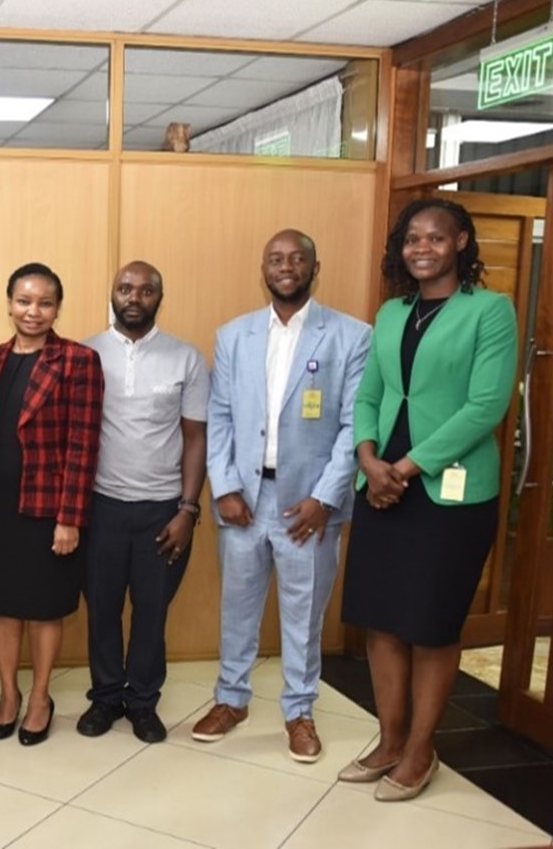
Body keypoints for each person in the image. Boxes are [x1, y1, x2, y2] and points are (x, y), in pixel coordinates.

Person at [339, 199, 517, 801]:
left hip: (447, 494)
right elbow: (368, 395)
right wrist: (369, 460)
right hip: (381, 485)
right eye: (413, 238)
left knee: (431, 625)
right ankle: (389, 741)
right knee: (381, 620)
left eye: (436, 238)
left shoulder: (489, 311)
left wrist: (407, 468)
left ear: (461, 242)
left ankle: (420, 751)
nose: (422, 248)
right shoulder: (392, 312)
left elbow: (485, 407)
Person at [194, 230, 371, 763]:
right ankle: (232, 700)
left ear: (316, 268)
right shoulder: (234, 335)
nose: (286, 266)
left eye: (297, 259)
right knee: (238, 608)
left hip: (309, 508)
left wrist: (325, 498)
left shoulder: (350, 336)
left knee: (305, 614)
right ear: (263, 269)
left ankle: (299, 711)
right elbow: (219, 417)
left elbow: (353, 425)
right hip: (244, 500)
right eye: (275, 258)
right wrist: (223, 487)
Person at [0, 263, 102, 746]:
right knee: (2, 607)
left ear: (57, 308)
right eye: (24, 301)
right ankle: (9, 694)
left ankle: (40, 697)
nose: (33, 311)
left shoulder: (78, 361)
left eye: (45, 302)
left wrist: (70, 517)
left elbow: (84, 445)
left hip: (47, 511)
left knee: (44, 609)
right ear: (9, 303)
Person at [76, 261, 207, 744]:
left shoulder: (186, 358)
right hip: (100, 507)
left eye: (147, 289)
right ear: (112, 293)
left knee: (152, 612)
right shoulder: (85, 353)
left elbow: (196, 438)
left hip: (162, 510)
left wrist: (188, 510)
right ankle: (107, 697)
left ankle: (143, 702)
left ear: (159, 297)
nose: (135, 296)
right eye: (125, 288)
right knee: (102, 609)